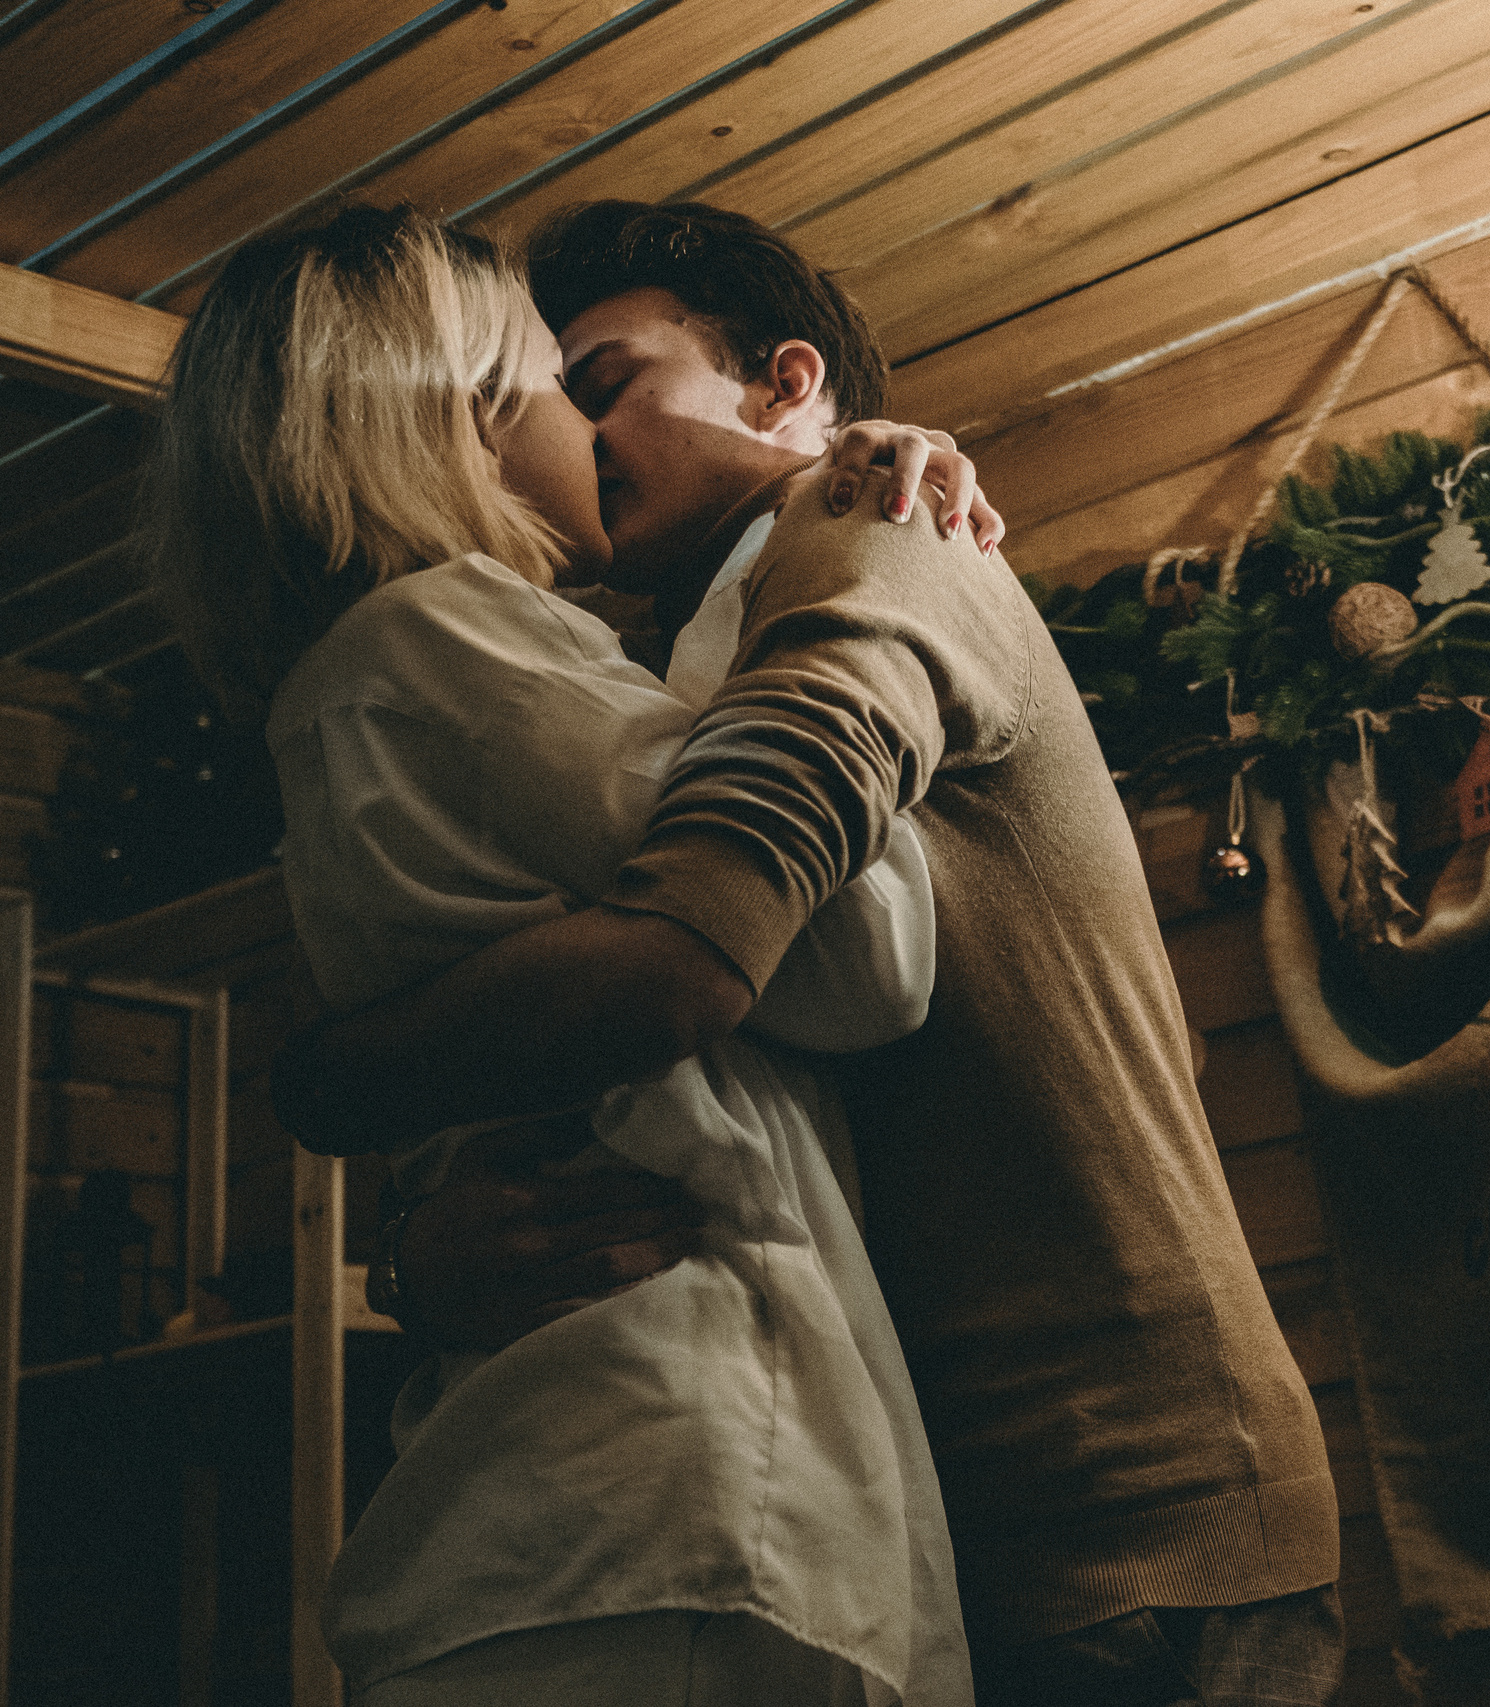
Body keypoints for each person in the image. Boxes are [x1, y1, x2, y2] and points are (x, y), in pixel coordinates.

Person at [275, 201, 1347, 1707]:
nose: (574, 437)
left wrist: (333, 1079)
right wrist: (423, 1241)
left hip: (1116, 1491)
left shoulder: (871, 529)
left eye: (606, 384)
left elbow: (697, 954)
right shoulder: (663, 672)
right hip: (927, 1513)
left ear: (786, 387)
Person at [144, 204, 981, 1705]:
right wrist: (799, 580)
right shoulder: (451, 639)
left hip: (581, 1490)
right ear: (456, 413)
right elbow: (868, 955)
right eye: (556, 386)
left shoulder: (348, 696)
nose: (589, 436)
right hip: (671, 1470)